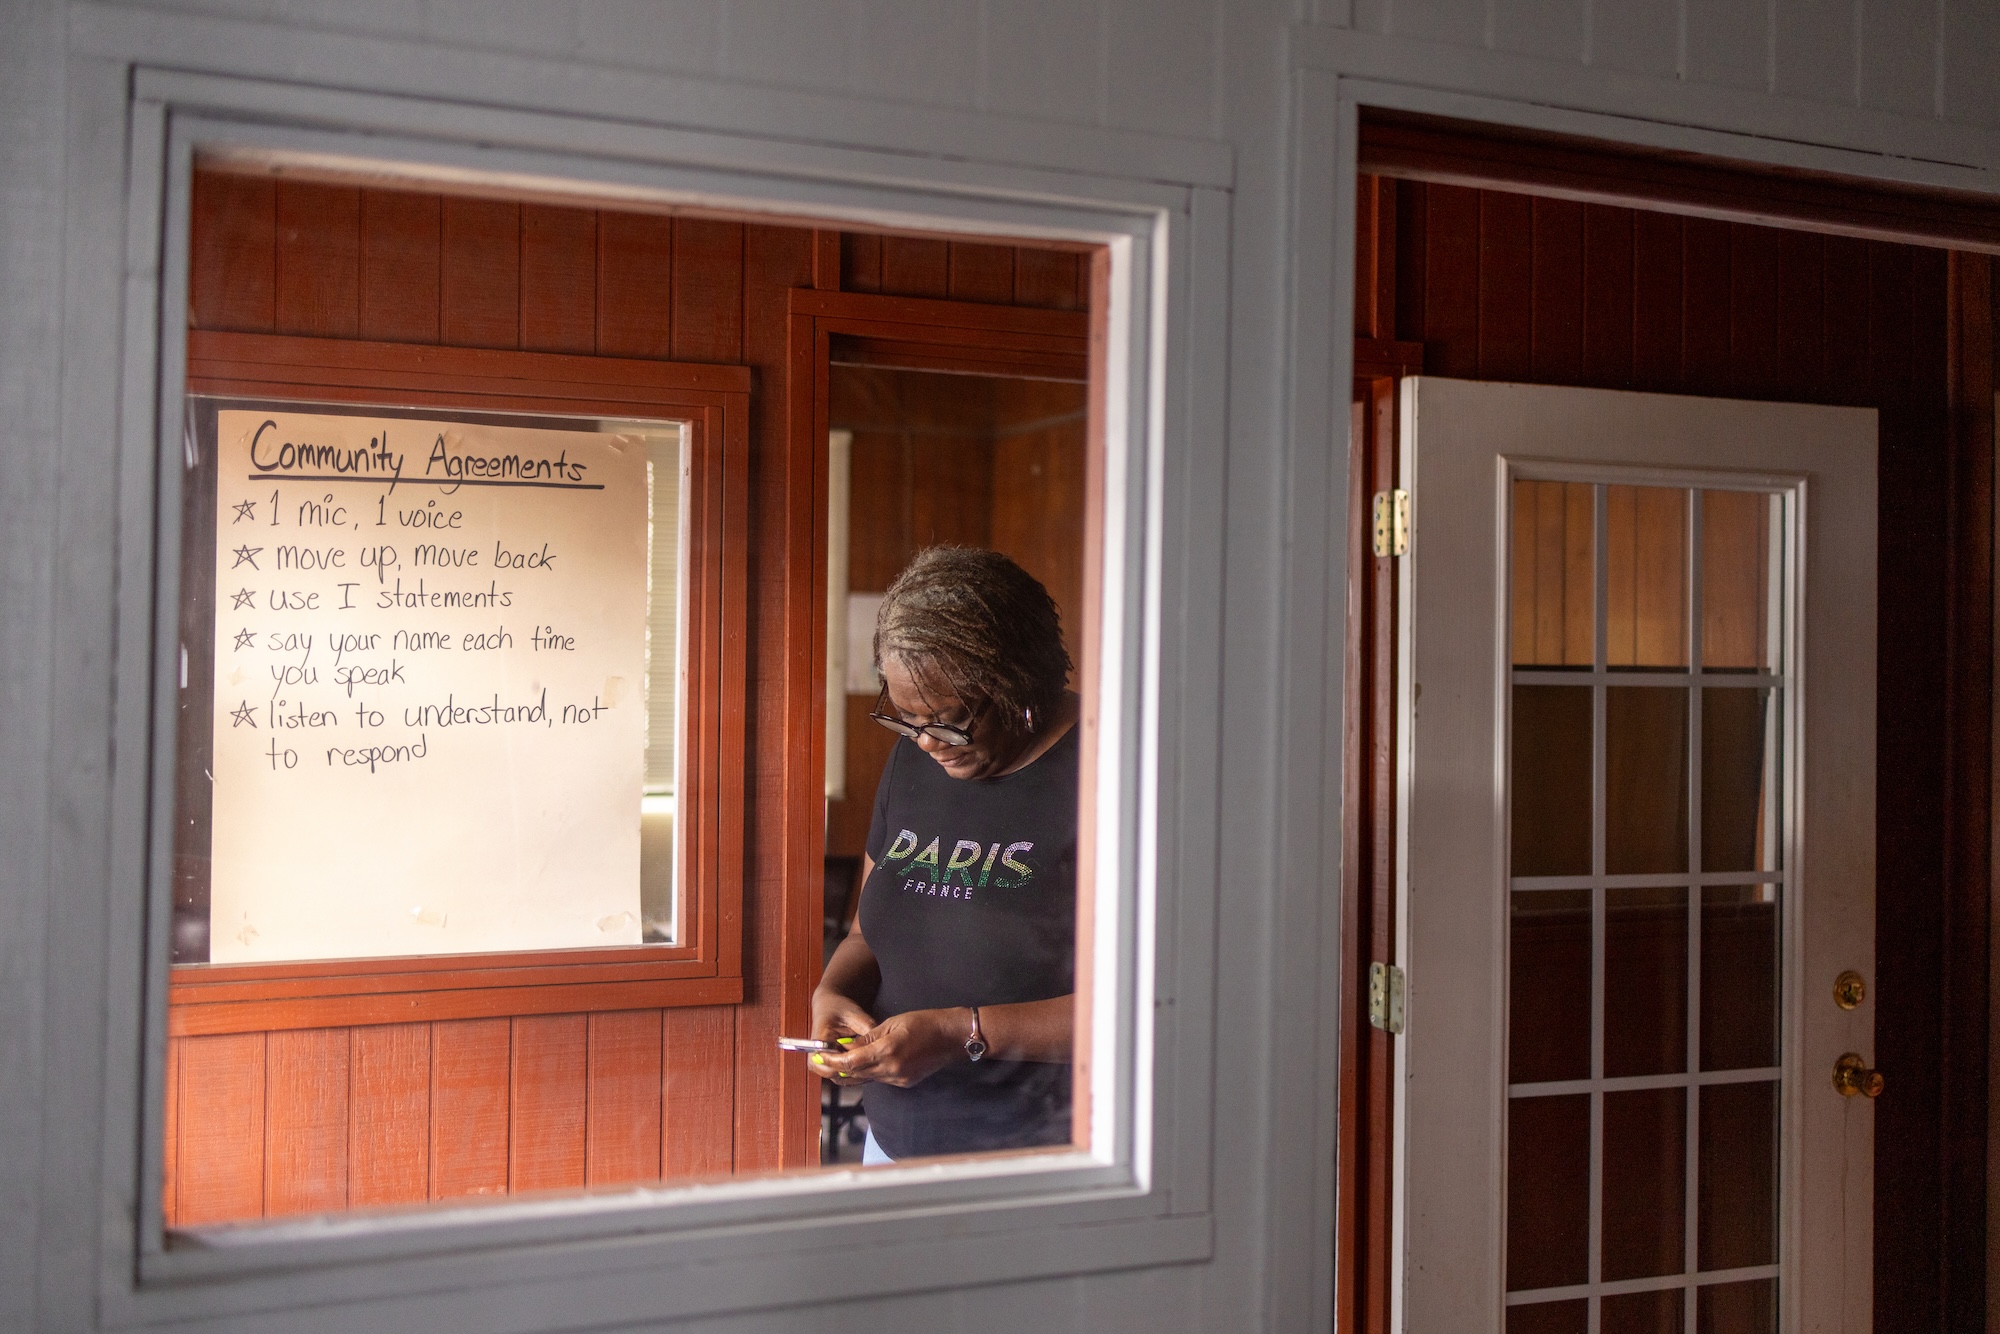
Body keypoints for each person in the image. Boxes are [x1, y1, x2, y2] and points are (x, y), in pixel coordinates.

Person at [810, 546, 1080, 1161]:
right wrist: (830, 994)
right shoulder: (914, 761)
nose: (928, 742)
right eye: (906, 719)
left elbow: (1149, 1006)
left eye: (951, 721)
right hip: (892, 1141)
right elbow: (866, 932)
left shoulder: (1107, 773)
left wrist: (960, 1035)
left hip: (1036, 1155)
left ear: (1018, 686)